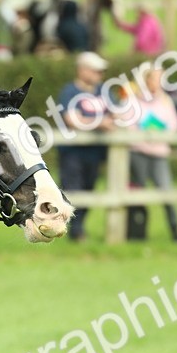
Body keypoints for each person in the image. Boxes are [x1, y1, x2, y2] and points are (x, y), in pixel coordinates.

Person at [55, 51, 112, 242]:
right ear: (82, 70)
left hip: (95, 154)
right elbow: (71, 119)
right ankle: (76, 232)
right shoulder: (69, 92)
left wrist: (92, 121)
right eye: (96, 71)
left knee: (90, 190)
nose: (99, 75)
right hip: (73, 154)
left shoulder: (103, 90)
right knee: (74, 191)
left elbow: (116, 115)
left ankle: (77, 229)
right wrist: (99, 122)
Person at [127, 66, 177, 241]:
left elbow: (173, 125)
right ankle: (137, 233)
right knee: (138, 194)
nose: (157, 83)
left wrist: (158, 135)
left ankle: (175, 231)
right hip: (138, 153)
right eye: (154, 78)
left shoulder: (166, 100)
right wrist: (146, 137)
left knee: (166, 192)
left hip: (159, 153)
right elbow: (128, 125)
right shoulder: (133, 101)